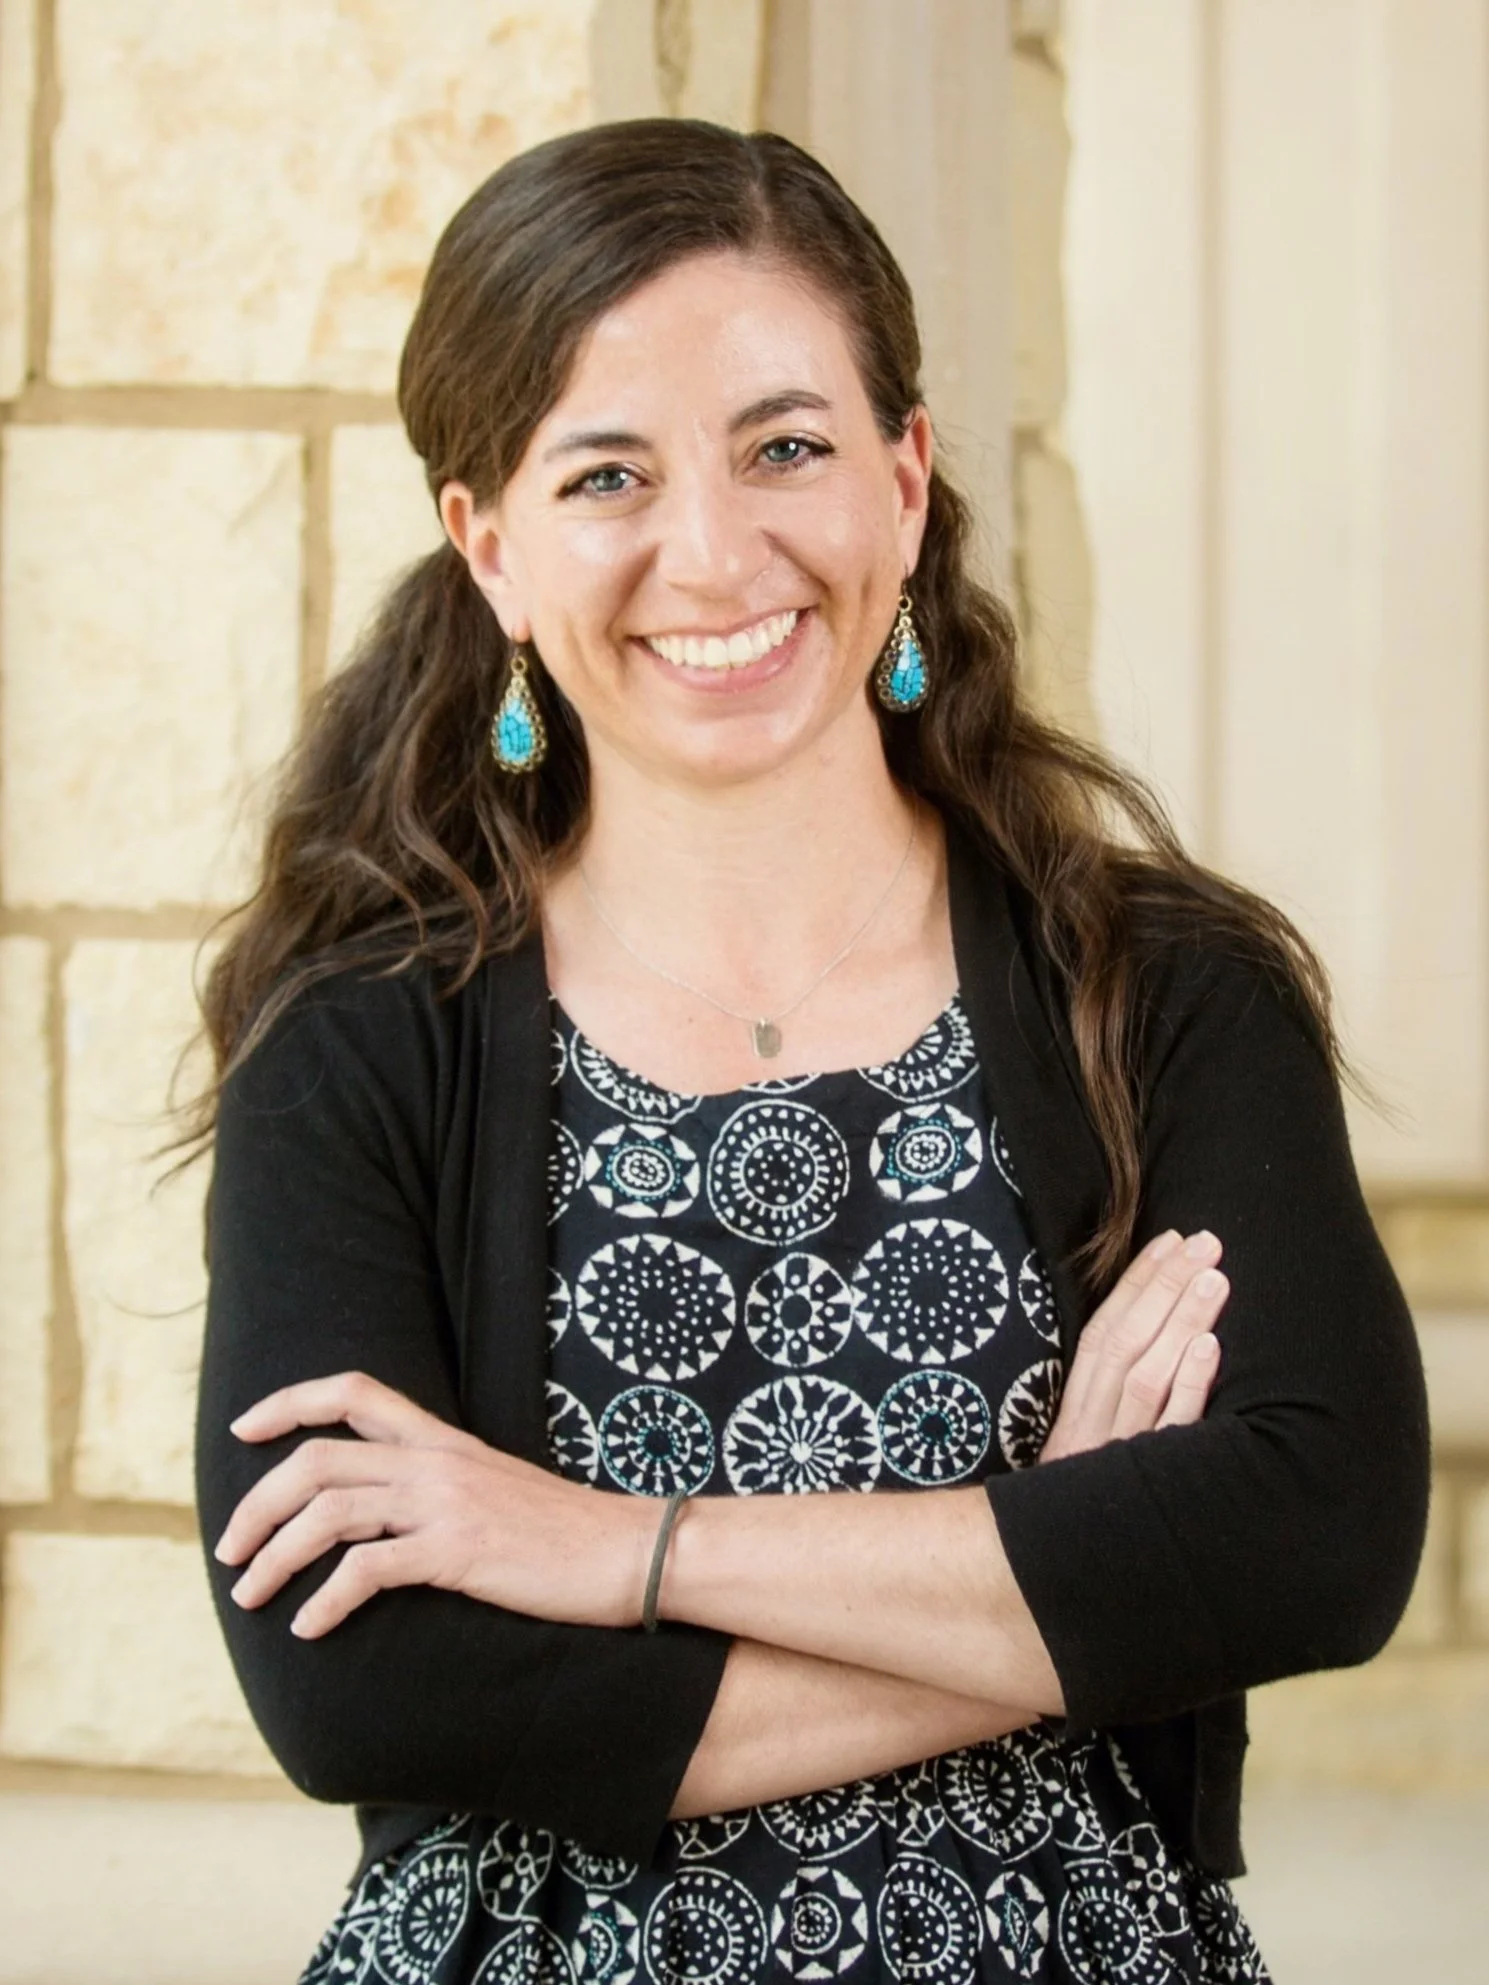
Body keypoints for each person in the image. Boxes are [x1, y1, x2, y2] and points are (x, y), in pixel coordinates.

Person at [195, 121, 1428, 1985]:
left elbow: (1315, 1544)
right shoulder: (363, 1052)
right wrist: (1052, 1563)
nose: (716, 551)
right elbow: (357, 1686)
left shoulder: (1164, 987)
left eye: (787, 445)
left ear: (906, 482)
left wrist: (608, 1553)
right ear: (492, 550)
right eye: (607, 474)